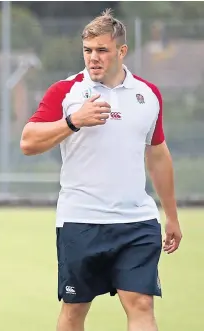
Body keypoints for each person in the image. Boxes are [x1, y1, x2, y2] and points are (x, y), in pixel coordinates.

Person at [20, 9, 182, 331]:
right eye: (88, 50)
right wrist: (73, 121)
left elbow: (158, 155)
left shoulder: (148, 95)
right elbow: (28, 142)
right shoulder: (65, 92)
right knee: (74, 310)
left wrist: (172, 216)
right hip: (81, 220)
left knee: (141, 303)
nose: (93, 58)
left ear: (121, 51)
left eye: (102, 50)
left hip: (136, 221)